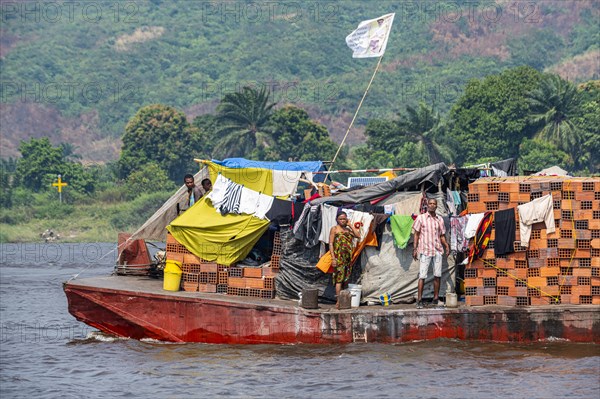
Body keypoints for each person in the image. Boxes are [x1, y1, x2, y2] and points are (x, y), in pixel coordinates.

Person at [412, 198, 450, 309]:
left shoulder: (440, 219)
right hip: (425, 250)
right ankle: (419, 300)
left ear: (436, 206)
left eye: (434, 204)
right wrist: (415, 249)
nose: (432, 205)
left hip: (437, 250)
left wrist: (446, 245)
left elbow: (442, 235)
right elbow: (416, 234)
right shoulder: (421, 218)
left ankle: (435, 299)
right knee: (422, 276)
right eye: (430, 203)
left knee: (437, 275)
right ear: (427, 205)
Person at [329, 211, 361, 309]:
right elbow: (330, 243)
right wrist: (333, 258)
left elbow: (358, 235)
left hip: (348, 259)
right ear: (337, 220)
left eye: (344, 219)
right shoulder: (334, 229)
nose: (343, 221)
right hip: (338, 259)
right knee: (339, 280)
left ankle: (345, 301)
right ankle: (338, 301)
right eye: (341, 219)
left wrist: (350, 225)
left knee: (346, 280)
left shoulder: (348, 230)